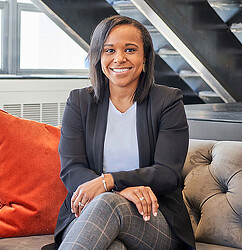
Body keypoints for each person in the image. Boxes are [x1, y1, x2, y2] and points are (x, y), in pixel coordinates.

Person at [54, 15, 195, 250]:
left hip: (152, 217)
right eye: (109, 50)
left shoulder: (168, 101)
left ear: (145, 57)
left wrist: (110, 182)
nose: (119, 58)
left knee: (109, 203)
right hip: (87, 212)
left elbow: (167, 173)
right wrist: (121, 190)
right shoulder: (79, 102)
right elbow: (71, 169)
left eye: (130, 49)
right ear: (99, 57)